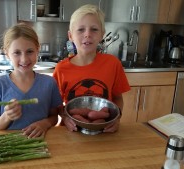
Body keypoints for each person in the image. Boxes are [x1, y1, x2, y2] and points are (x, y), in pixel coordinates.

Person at [53, 4, 130, 133]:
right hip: (71, 131)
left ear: (102, 35)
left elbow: (117, 98)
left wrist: (117, 118)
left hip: (104, 131)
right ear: (70, 35)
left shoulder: (113, 64)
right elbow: (56, 104)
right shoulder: (61, 69)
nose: (87, 34)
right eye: (81, 29)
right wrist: (65, 117)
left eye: (94, 29)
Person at [0, 23, 63, 138]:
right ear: (7, 54)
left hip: (41, 145)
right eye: (17, 53)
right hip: (9, 147)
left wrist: (44, 123)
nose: (24, 59)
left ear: (37, 50)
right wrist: (7, 117)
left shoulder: (49, 83)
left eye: (30, 51)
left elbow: (54, 117)